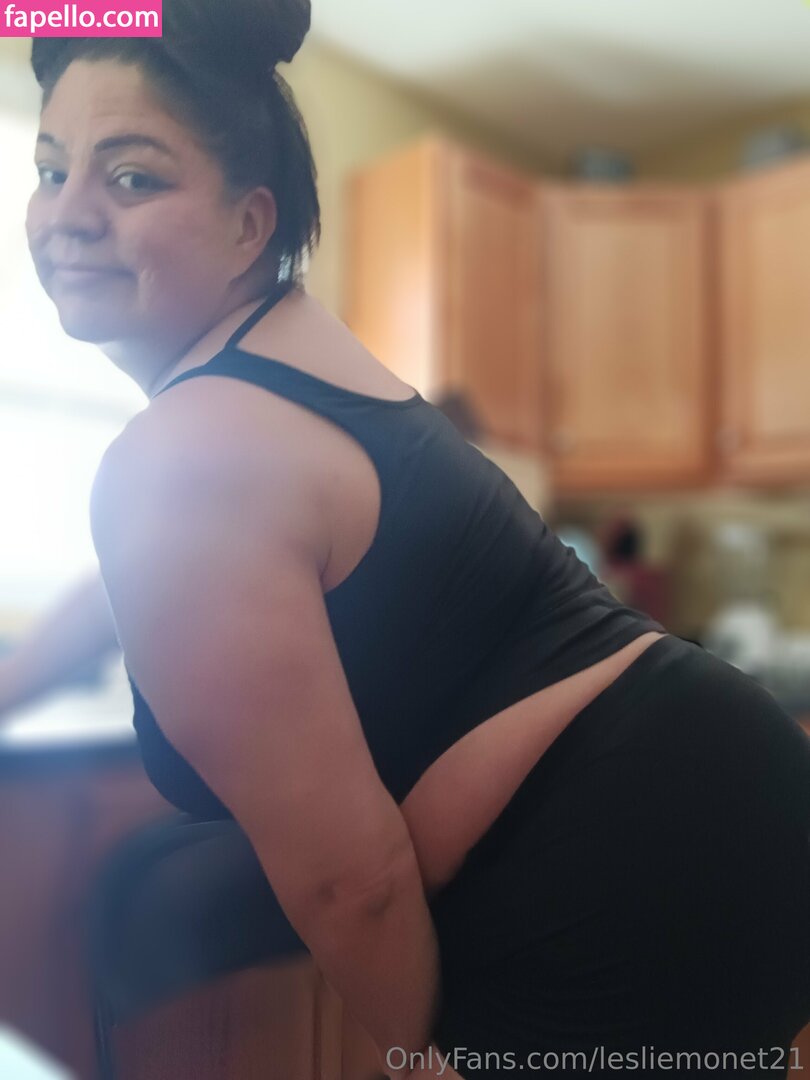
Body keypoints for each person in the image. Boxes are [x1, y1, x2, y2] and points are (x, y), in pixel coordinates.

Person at [17, 2, 810, 1076]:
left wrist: (415, 1060)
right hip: (725, 795)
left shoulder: (184, 452)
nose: (67, 213)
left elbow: (354, 882)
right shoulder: (278, 361)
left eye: (131, 177)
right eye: (51, 167)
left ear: (250, 224)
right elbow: (141, 584)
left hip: (620, 874)